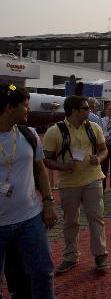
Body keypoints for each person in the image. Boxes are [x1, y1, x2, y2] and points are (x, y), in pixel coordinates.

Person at [0, 84, 57, 298]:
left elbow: (40, 170)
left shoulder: (29, 134)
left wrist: (49, 201)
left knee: (43, 272)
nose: (29, 110)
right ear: (8, 107)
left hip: (29, 218)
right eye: (25, 106)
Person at [43, 95, 109, 274]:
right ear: (74, 110)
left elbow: (104, 150)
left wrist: (99, 158)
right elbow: (46, 160)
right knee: (70, 222)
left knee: (96, 218)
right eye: (86, 108)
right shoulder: (55, 131)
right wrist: (64, 166)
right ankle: (70, 256)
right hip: (69, 183)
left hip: (93, 178)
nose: (89, 111)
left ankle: (100, 254)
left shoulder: (94, 127)